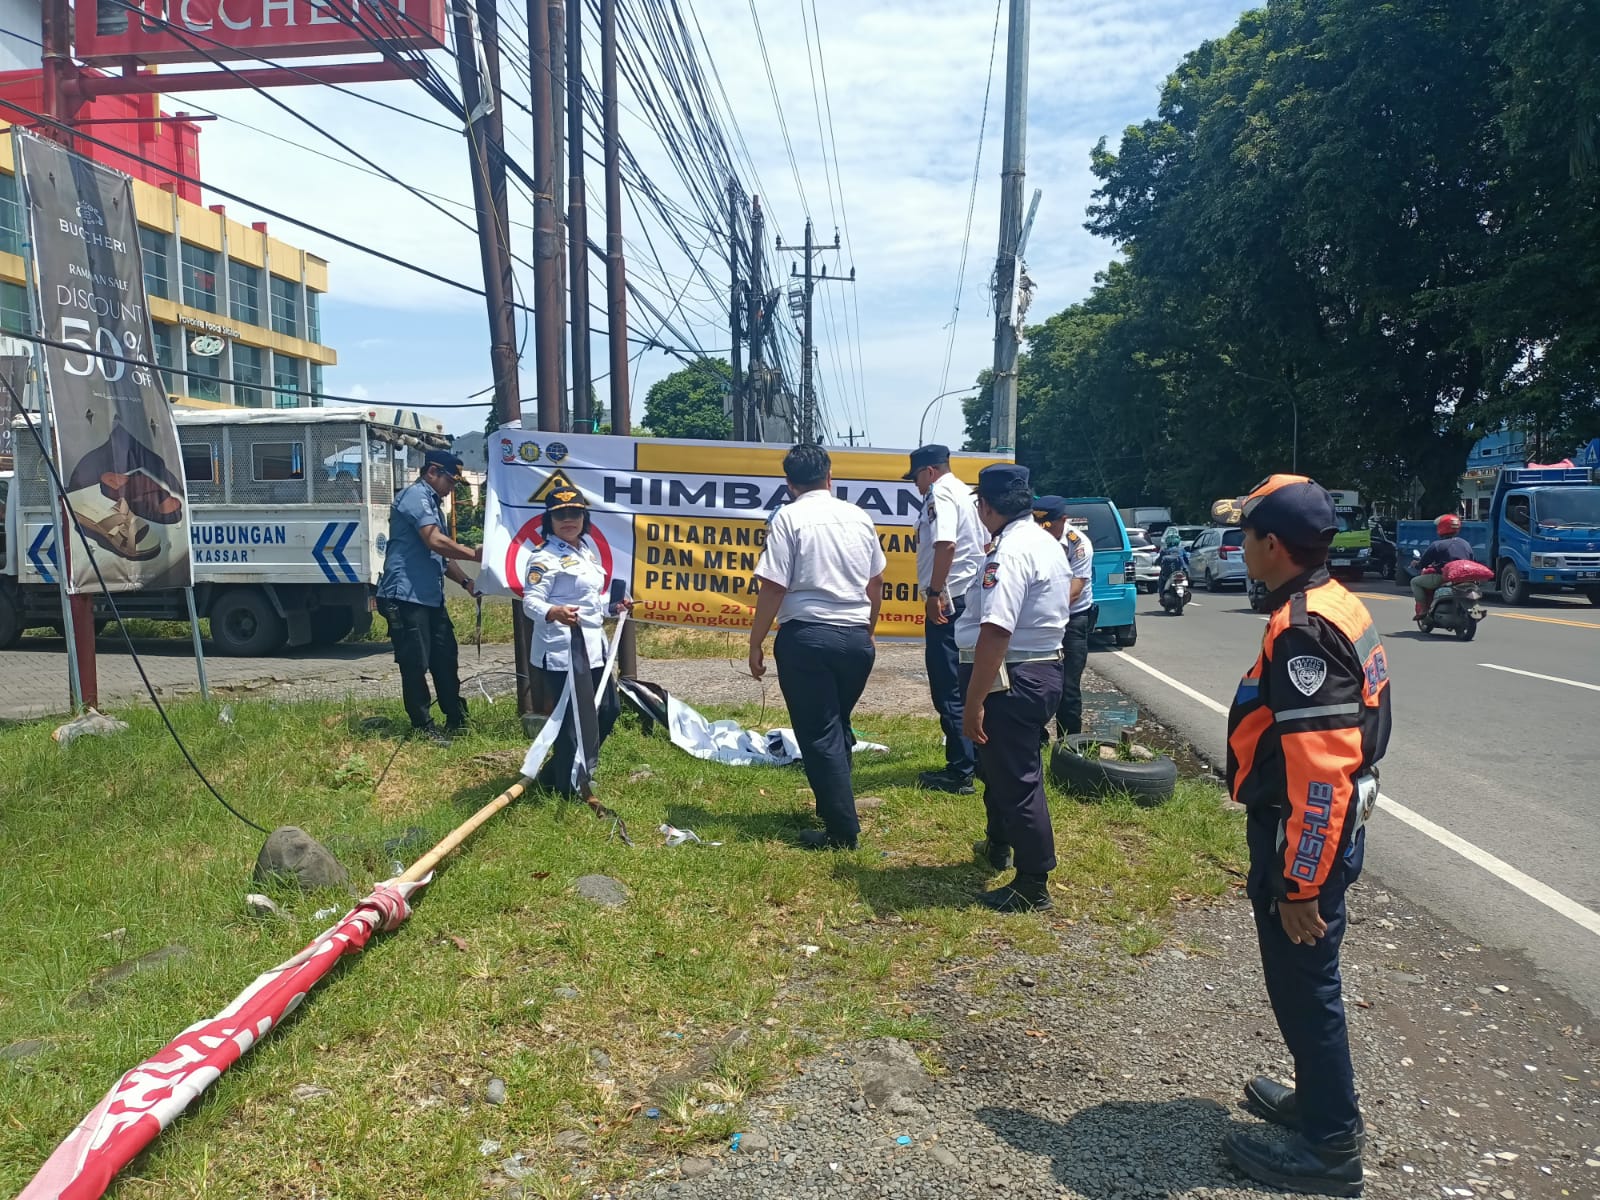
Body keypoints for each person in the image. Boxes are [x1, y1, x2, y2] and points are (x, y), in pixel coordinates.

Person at [1223, 473, 1390, 1197]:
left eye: (1247, 533)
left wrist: (1301, 883)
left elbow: (1320, 773)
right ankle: (1318, 1102)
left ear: (1271, 545)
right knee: (1303, 984)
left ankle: (1330, 1149)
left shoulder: (1303, 629)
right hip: (1322, 831)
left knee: (1305, 985)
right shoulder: (1333, 601)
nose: (1240, 545)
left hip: (1306, 839)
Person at [749, 444, 886, 850]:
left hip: (807, 636)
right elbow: (876, 581)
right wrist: (869, 628)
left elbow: (773, 585)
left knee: (820, 731)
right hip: (855, 637)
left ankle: (843, 831)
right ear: (830, 477)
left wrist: (756, 641)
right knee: (837, 723)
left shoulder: (788, 518)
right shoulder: (858, 516)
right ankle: (834, 809)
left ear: (789, 484)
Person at [956, 465, 1073, 912]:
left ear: (985, 506)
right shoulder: (1045, 542)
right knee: (1002, 768)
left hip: (1010, 675)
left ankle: (1033, 880)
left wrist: (974, 702)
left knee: (1018, 777)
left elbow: (996, 631)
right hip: (1038, 668)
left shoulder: (1009, 552)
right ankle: (998, 843)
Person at [522, 485, 631, 796]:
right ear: (549, 519)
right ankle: (565, 787)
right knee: (570, 723)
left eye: (574, 514)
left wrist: (615, 605)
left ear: (584, 517)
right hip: (561, 650)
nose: (568, 520)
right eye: (560, 515)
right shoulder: (543, 557)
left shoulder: (586, 550)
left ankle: (566, 770)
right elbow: (530, 602)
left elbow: (591, 600)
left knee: (608, 709)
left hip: (593, 648)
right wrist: (553, 611)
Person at [376, 449, 480, 746]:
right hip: (405, 596)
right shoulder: (415, 497)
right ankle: (423, 725)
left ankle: (456, 718)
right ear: (433, 471)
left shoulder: (434, 505)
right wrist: (474, 554)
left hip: (429, 598)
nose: (451, 490)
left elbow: (441, 557)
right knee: (415, 663)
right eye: (450, 481)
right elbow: (434, 541)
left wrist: (467, 581)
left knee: (445, 658)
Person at [905, 443, 986, 794]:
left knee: (948, 686)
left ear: (930, 472)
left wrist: (936, 593)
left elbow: (946, 544)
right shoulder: (964, 494)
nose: (917, 486)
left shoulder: (940, 494)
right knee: (966, 682)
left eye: (917, 478)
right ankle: (976, 759)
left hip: (950, 603)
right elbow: (981, 544)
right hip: (967, 599)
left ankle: (961, 770)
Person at [1033, 495, 1095, 739]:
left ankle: (1070, 746)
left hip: (1072, 620)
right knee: (1035, 682)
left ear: (1063, 520)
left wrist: (1045, 610)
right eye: (1039, 524)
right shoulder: (1032, 538)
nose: (1043, 530)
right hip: (1041, 619)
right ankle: (1036, 739)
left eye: (1048, 524)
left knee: (1068, 688)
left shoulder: (1078, 544)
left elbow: (1075, 589)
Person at [1411, 514, 1474, 619]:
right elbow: (1472, 561)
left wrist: (1416, 565)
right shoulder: (1465, 544)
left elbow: (1423, 563)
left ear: (1441, 528)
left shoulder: (1437, 545)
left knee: (1414, 582)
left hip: (1443, 577)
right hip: (1464, 578)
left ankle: (1423, 609)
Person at [1156, 526, 1191, 594]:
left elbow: (1159, 561)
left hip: (1168, 574)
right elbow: (1186, 560)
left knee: (1161, 582)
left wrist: (1156, 563)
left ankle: (1161, 595)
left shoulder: (1164, 551)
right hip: (1180, 572)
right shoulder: (1181, 549)